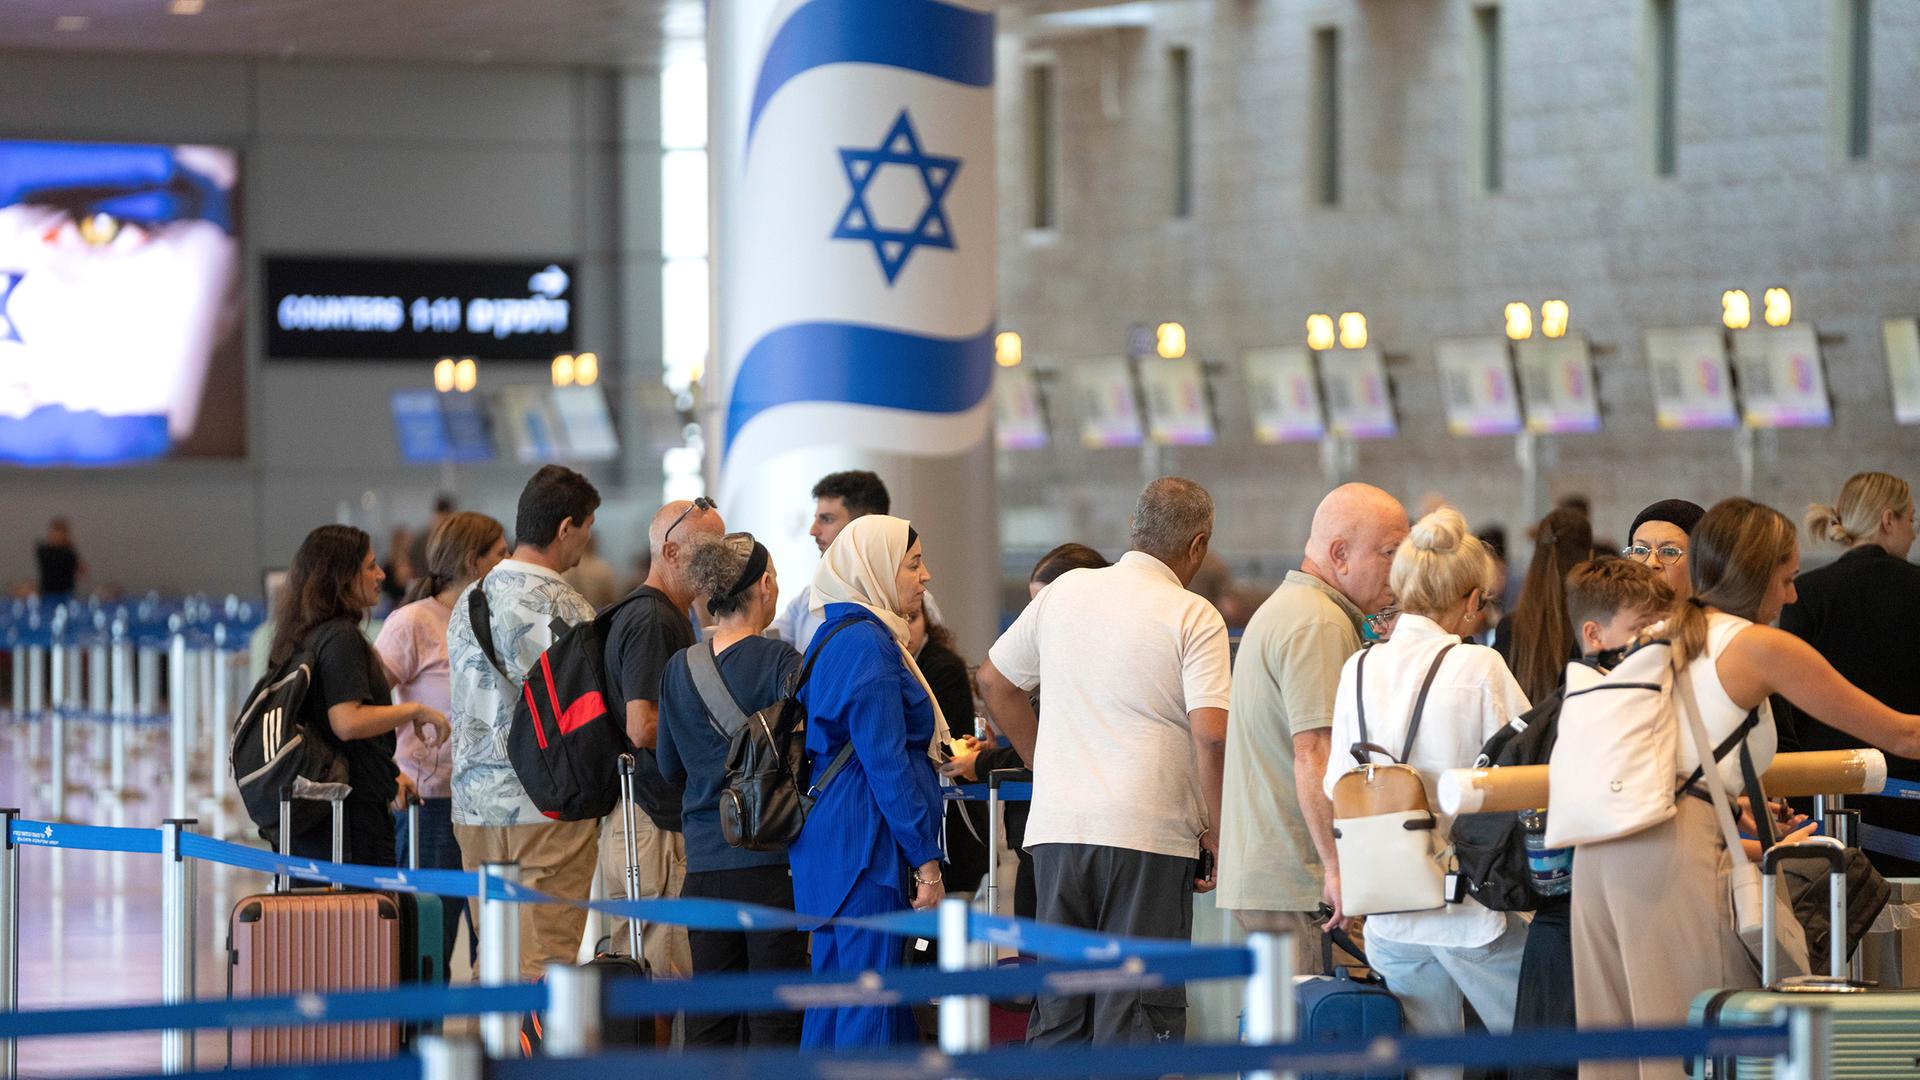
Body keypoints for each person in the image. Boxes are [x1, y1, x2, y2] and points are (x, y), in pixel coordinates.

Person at [1572, 497, 1920, 1080]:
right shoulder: (1757, 646)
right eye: (1786, 579)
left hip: (1599, 852)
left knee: (1616, 1061)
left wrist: (1733, 805)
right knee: (1694, 1053)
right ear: (1758, 574)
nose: (1791, 596)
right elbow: (1903, 735)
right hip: (1669, 851)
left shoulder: (1662, 632)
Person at [979, 477, 1232, 1047]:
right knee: (1135, 1012)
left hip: (1059, 833)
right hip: (1150, 835)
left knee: (1061, 1009)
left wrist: (1047, 766)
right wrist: (1217, 831)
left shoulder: (1064, 594)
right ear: (1198, 547)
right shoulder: (1193, 615)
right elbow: (1212, 738)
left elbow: (995, 681)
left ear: (1132, 530)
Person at [1320, 507, 1530, 1075]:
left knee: (1432, 1070)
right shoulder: (1480, 665)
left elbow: (1332, 781)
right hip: (1469, 909)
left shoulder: (1358, 669)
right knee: (1548, 1052)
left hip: (1388, 909)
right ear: (1468, 600)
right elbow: (1530, 774)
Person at [1217, 483, 1408, 976]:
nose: (1402, 570)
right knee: (1322, 1040)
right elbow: (1315, 752)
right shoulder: (1318, 624)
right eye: (1390, 554)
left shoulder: (1299, 609)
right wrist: (1337, 867)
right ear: (1340, 554)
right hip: (1300, 883)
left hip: (1285, 877)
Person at [1500, 558, 1674, 1080]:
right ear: (1594, 635)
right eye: (1642, 631)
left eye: (1661, 631)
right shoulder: (1590, 718)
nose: (1656, 645)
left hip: (1571, 936)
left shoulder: (1585, 707)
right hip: (1577, 935)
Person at [787, 514, 946, 1048]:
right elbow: (886, 764)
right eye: (914, 563)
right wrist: (926, 863)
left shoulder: (833, 633)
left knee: (836, 1006)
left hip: (836, 842)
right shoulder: (870, 645)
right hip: (866, 848)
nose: (924, 577)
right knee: (867, 1011)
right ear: (875, 569)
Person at [446, 465, 600, 982]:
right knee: (545, 965)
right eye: (587, 528)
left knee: (490, 961)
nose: (586, 542)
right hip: (545, 809)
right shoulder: (565, 604)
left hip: (473, 807)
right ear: (565, 528)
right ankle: (533, 1066)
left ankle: (478, 1061)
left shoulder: (469, 600)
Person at [656, 533, 807, 1046]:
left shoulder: (679, 666)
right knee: (773, 1017)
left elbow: (670, 766)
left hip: (704, 863)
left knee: (710, 1020)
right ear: (764, 584)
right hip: (770, 863)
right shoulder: (782, 661)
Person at [940, 542, 1111, 920]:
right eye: (1033, 608)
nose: (1037, 620)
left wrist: (981, 763)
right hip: (1041, 842)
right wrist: (995, 747)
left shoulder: (1085, 675)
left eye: (1045, 607)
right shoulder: (1059, 670)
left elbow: (1049, 753)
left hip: (1064, 841)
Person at [268, 524, 450, 865]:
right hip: (351, 819)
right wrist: (413, 711)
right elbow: (346, 721)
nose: (381, 574)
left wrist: (390, 774)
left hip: (322, 815)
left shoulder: (304, 634)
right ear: (342, 576)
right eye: (370, 566)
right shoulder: (341, 638)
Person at [374, 511, 506, 972]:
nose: (507, 564)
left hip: (491, 806)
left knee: (494, 945)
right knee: (430, 941)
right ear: (473, 561)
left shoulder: (494, 619)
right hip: (432, 805)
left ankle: (492, 1040)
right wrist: (391, 771)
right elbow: (365, 706)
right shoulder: (412, 623)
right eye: (500, 555)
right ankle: (420, 1038)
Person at [599, 496, 725, 978]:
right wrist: (712, 746)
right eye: (707, 548)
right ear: (670, 553)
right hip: (654, 821)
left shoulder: (657, 613)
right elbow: (642, 724)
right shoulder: (653, 620)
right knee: (660, 972)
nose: (718, 561)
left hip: (647, 818)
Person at [1780, 472, 1920, 875]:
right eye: (1911, 520)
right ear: (1888, 520)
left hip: (1826, 797)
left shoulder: (1804, 593)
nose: (1912, 534)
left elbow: (1791, 705)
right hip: (1908, 797)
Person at [910, 603, 986, 894]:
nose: (907, 628)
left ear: (929, 620)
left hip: (953, 809)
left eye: (914, 619)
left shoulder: (942, 667)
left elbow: (940, 745)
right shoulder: (902, 664)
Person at [771, 470, 891, 650]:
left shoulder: (913, 601)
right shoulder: (807, 599)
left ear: (866, 525)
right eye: (816, 519)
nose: (813, 530)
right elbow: (765, 646)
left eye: (827, 519)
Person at [1494, 507, 1593, 703]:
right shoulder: (1596, 629)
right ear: (1590, 556)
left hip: (1524, 732)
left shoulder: (1509, 627)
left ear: (1536, 553)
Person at [1623, 499, 1705, 599]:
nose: (1651, 564)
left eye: (1669, 552)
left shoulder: (1719, 615)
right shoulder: (1610, 614)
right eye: (1640, 551)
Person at [563, 535, 623, 611]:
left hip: (572, 613)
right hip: (597, 614)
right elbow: (611, 598)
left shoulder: (568, 567)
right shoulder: (602, 568)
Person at [35, 517, 83, 597]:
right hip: (48, 592)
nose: (59, 536)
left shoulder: (69, 551)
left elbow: (81, 570)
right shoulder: (43, 550)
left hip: (66, 592)